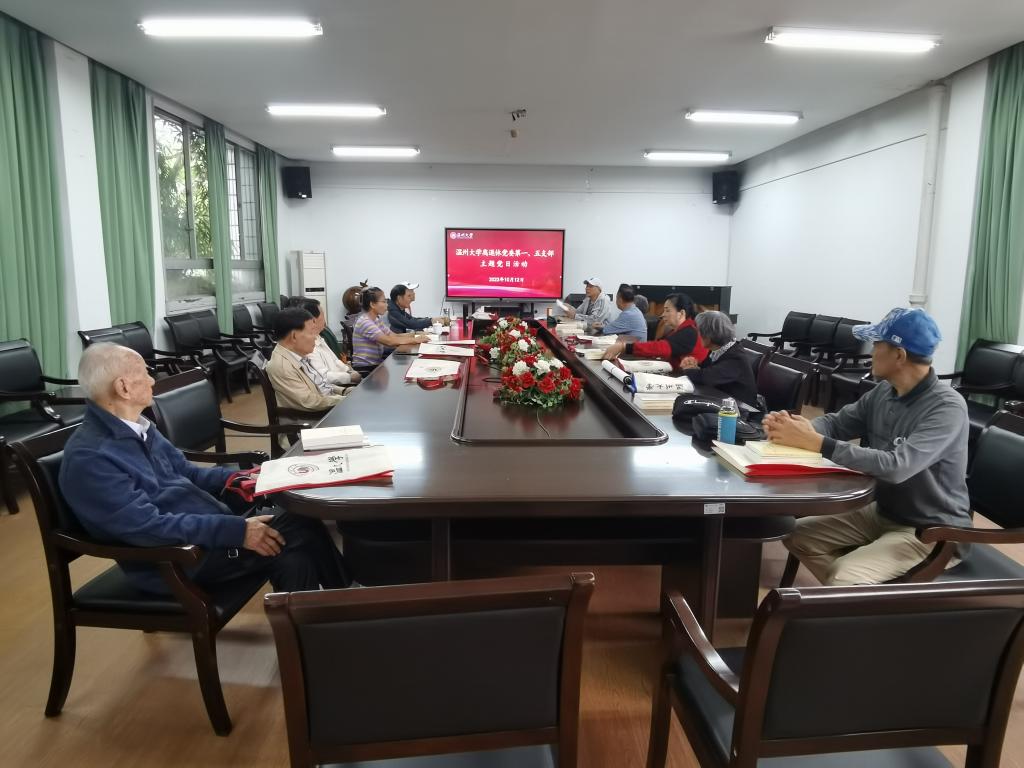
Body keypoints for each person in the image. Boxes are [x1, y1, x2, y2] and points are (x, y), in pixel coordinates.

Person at [59, 343, 351, 595]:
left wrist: (251, 477)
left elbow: (188, 474)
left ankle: (324, 623)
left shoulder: (137, 427)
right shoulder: (91, 458)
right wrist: (237, 531)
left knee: (292, 557)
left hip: (204, 531)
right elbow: (148, 528)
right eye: (144, 374)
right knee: (298, 523)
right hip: (178, 559)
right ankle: (348, 598)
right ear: (123, 387)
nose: (151, 380)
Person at [764, 307, 971, 586]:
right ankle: (860, 599)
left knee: (845, 575)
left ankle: (854, 595)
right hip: (882, 511)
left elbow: (896, 467)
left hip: (930, 530)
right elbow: (837, 423)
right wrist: (799, 428)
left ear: (899, 355)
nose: (871, 351)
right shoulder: (884, 391)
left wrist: (816, 443)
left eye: (876, 344)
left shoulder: (946, 408)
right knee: (795, 534)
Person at [266, 307, 348, 413]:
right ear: (294, 336)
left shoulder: (298, 354)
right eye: (311, 332)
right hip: (317, 418)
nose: (315, 337)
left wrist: (344, 391)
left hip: (330, 406)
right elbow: (310, 402)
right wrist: (346, 400)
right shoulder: (282, 366)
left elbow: (321, 386)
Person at [602, 292, 708, 370]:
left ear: (681, 313)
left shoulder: (690, 332)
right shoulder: (679, 331)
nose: (662, 315)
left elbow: (660, 348)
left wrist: (624, 347)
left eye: (667, 310)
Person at [678, 311, 757, 405]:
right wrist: (694, 367)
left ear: (708, 336)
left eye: (699, 332)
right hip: (721, 400)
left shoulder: (735, 358)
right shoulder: (718, 350)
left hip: (740, 409)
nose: (697, 336)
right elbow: (706, 371)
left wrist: (689, 369)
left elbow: (705, 377)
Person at [353, 287, 430, 370]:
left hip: (376, 364)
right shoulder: (365, 322)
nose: (387, 305)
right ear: (372, 304)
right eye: (384, 301)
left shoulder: (376, 320)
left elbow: (393, 336)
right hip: (366, 368)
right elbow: (389, 341)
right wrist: (415, 340)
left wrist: (416, 334)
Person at [296, 298, 361, 387]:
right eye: (323, 315)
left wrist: (349, 370)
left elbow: (335, 361)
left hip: (342, 383)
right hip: (334, 387)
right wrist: (349, 377)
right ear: (313, 320)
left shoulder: (319, 337)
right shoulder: (306, 346)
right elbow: (323, 376)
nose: (325, 320)